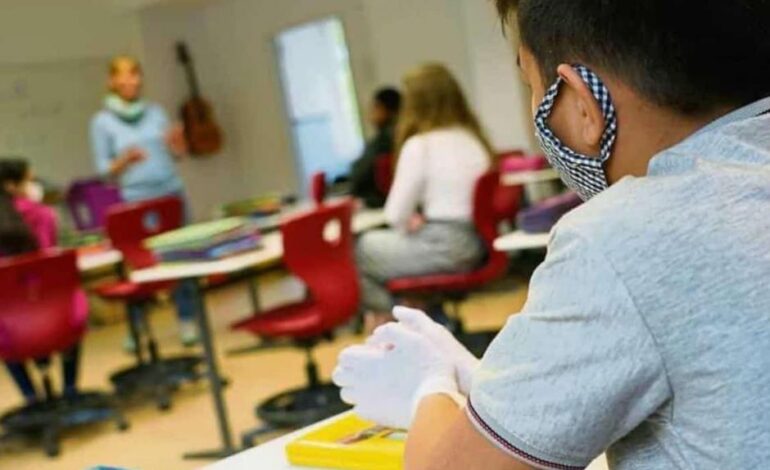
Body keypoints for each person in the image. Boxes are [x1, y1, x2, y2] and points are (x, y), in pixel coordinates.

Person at [333, 1, 770, 469]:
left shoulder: (621, 235)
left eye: (531, 86)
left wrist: (428, 388)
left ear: (583, 102)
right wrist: (495, 388)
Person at [355, 64, 493, 327]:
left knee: (359, 250)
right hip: (476, 244)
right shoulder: (473, 139)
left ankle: (412, 323)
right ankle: (430, 316)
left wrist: (409, 223)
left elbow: (394, 215)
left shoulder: (420, 146)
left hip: (444, 245)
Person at [90, 56, 198, 347]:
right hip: (137, 200)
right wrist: (124, 160)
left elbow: (176, 155)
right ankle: (137, 327)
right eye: (124, 75)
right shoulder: (102, 122)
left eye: (135, 74)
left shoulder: (156, 112)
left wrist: (177, 144)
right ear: (112, 81)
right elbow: (103, 171)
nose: (132, 81)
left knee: (181, 258)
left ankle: (187, 319)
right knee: (141, 264)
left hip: (171, 193)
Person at [0, 159, 80, 404]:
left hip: (9, 329)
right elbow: (50, 263)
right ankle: (70, 389)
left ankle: (30, 397)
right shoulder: (42, 214)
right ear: (11, 186)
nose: (34, 185)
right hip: (55, 316)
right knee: (74, 300)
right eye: (30, 180)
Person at [349, 87, 402, 208]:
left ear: (387, 110)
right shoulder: (400, 135)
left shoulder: (384, 141)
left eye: (375, 107)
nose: (370, 113)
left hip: (380, 204)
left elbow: (359, 175)